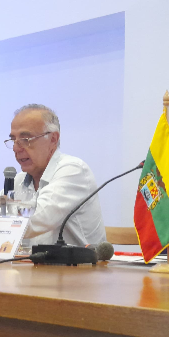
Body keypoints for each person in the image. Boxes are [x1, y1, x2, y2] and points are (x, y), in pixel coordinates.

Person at [8, 104, 105, 246]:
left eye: (25, 139)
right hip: (35, 260)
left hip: (80, 261)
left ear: (53, 139)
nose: (16, 148)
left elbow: (35, 219)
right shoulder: (19, 180)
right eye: (13, 140)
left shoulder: (73, 170)